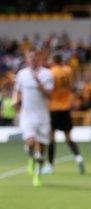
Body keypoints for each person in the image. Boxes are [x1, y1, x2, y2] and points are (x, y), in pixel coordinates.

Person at [13, 51, 54, 187]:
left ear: (40, 58)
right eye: (30, 58)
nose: (33, 60)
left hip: (42, 115)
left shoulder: (47, 74)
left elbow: (50, 95)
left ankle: (37, 174)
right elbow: (17, 91)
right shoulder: (21, 74)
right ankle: (31, 158)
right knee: (30, 142)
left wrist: (39, 84)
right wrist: (16, 102)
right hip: (27, 115)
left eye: (35, 58)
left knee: (41, 147)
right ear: (26, 59)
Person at [45, 54, 85, 174]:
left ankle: (50, 166)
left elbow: (49, 89)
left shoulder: (51, 72)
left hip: (54, 107)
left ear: (53, 61)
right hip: (66, 107)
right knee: (68, 137)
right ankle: (78, 158)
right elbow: (71, 86)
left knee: (51, 138)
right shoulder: (68, 70)